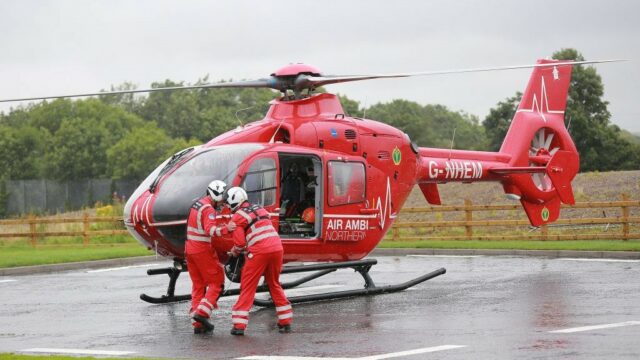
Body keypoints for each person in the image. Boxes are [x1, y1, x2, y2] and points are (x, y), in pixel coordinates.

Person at [225, 186, 293, 336]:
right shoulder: (260, 209)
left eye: (227, 203)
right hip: (277, 248)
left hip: (259, 252)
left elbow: (240, 244)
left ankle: (239, 325)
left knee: (248, 287)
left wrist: (234, 252)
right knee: (274, 283)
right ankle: (285, 320)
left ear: (232, 201)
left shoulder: (237, 217)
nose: (227, 206)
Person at [185, 180, 236, 334]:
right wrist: (227, 229)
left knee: (198, 285)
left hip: (189, 249)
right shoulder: (208, 209)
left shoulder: (197, 204)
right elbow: (211, 230)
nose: (222, 202)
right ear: (215, 196)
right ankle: (202, 314)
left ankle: (198, 325)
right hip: (201, 250)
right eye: (221, 198)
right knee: (217, 282)